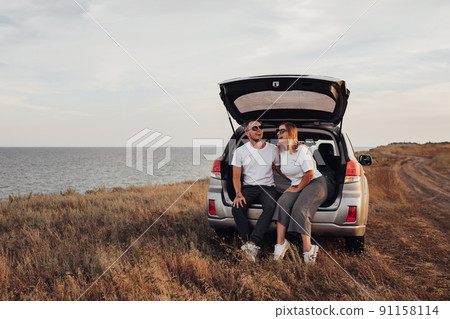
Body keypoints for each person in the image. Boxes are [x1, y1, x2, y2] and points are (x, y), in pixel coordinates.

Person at [272, 122, 328, 265]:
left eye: (281, 131)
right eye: (277, 131)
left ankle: (308, 249)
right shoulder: (282, 152)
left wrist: (297, 189)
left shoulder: (302, 150)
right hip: (297, 183)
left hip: (315, 182)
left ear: (290, 133)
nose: (278, 133)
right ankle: (281, 243)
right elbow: (290, 174)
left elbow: (309, 173)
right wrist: (277, 170)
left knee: (299, 209)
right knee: (282, 203)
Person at [231, 120, 280, 262]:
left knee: (270, 206)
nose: (259, 130)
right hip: (249, 187)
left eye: (261, 127)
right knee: (237, 208)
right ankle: (248, 244)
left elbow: (278, 169)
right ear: (247, 133)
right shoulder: (240, 152)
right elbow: (235, 177)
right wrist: (238, 194)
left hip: (267, 187)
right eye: (255, 128)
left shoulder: (272, 149)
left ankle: (252, 243)